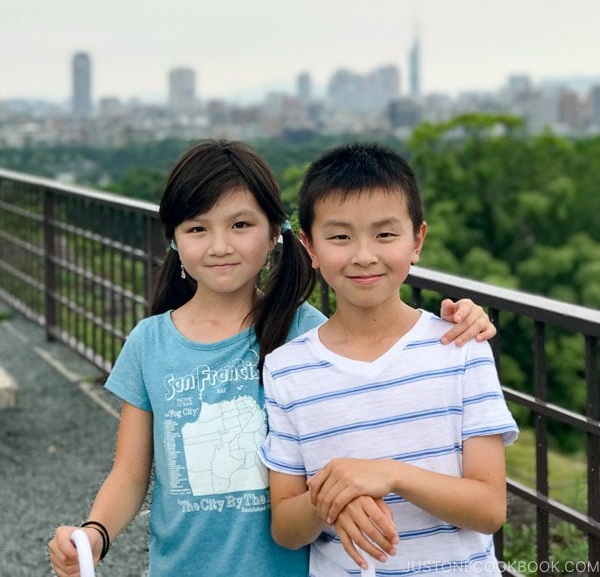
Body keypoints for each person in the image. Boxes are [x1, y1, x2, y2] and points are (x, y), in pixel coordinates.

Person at [49, 139, 499, 577]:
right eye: (197, 228)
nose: (220, 245)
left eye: (241, 225)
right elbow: (130, 471)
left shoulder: (303, 333)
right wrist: (96, 534)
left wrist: (465, 319)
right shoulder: (151, 342)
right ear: (174, 241)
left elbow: (371, 352)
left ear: (275, 235)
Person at [259, 142, 518, 576]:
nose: (364, 255)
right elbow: (286, 526)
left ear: (417, 240)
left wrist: (390, 475)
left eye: (385, 234)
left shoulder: (461, 345)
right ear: (310, 246)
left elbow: (489, 508)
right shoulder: (287, 369)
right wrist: (335, 498)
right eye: (340, 236)